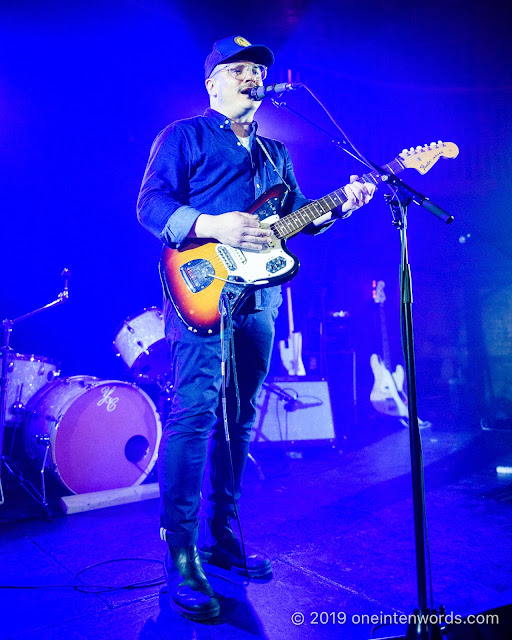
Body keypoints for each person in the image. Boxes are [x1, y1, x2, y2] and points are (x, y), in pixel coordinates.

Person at [137, 35, 375, 621]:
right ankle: (182, 552)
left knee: (241, 420)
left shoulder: (275, 155)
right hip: (200, 290)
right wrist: (213, 224)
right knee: (194, 415)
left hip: (259, 301)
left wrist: (342, 203)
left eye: (257, 70)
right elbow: (150, 205)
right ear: (213, 82)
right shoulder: (183, 137)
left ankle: (224, 535)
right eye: (237, 69)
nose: (251, 77)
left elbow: (293, 219)